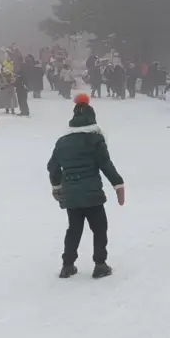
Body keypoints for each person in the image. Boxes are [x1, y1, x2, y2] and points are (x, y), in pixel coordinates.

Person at [48, 94, 125, 279]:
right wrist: (118, 184)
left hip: (72, 195)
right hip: (92, 194)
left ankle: (67, 265)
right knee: (99, 228)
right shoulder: (95, 139)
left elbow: (53, 166)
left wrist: (57, 186)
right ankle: (100, 264)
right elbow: (105, 164)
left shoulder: (62, 141)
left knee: (73, 229)